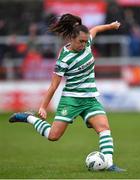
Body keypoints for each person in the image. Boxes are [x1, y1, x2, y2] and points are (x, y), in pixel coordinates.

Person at [9, 14, 125, 172]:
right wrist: (43, 107)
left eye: (85, 41)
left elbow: (96, 29)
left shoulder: (87, 40)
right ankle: (28, 118)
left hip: (90, 99)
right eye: (80, 42)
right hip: (71, 100)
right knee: (53, 136)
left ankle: (110, 164)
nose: (84, 45)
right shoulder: (64, 59)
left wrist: (110, 26)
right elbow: (53, 85)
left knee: (104, 128)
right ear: (72, 38)